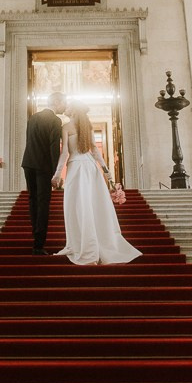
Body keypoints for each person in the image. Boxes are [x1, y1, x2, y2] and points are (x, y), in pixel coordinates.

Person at [52, 102, 141, 265]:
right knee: (93, 205)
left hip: (76, 168)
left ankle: (82, 245)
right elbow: (95, 151)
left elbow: (64, 153)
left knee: (77, 206)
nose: (66, 109)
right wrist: (108, 173)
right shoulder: (88, 126)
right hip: (91, 168)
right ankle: (98, 243)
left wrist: (57, 174)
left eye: (69, 107)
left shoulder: (66, 127)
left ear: (72, 111)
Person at [21, 92, 67, 255]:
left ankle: (36, 235)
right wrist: (56, 173)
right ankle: (39, 244)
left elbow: (29, 141)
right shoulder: (55, 120)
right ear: (56, 102)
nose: (65, 106)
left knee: (33, 200)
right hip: (43, 167)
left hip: (28, 163)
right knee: (43, 203)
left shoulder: (33, 117)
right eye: (64, 102)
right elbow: (54, 147)